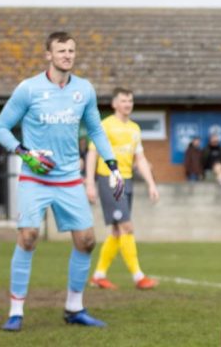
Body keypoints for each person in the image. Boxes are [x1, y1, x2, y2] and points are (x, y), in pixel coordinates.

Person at [0, 32, 124, 331]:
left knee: (87, 241)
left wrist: (112, 164)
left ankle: (74, 308)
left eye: (71, 50)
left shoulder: (85, 90)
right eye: (61, 50)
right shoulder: (28, 89)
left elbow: (96, 130)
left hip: (68, 178)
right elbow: (0, 128)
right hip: (34, 178)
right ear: (48, 55)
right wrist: (24, 153)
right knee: (28, 237)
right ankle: (15, 312)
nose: (67, 55)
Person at [85, 87, 160, 290]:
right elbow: (92, 153)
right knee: (127, 226)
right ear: (114, 104)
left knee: (118, 231)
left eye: (130, 101)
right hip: (109, 179)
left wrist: (151, 183)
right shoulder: (105, 126)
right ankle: (138, 277)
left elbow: (141, 159)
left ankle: (99, 275)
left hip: (127, 181)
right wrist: (89, 182)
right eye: (124, 101)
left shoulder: (135, 128)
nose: (127, 104)